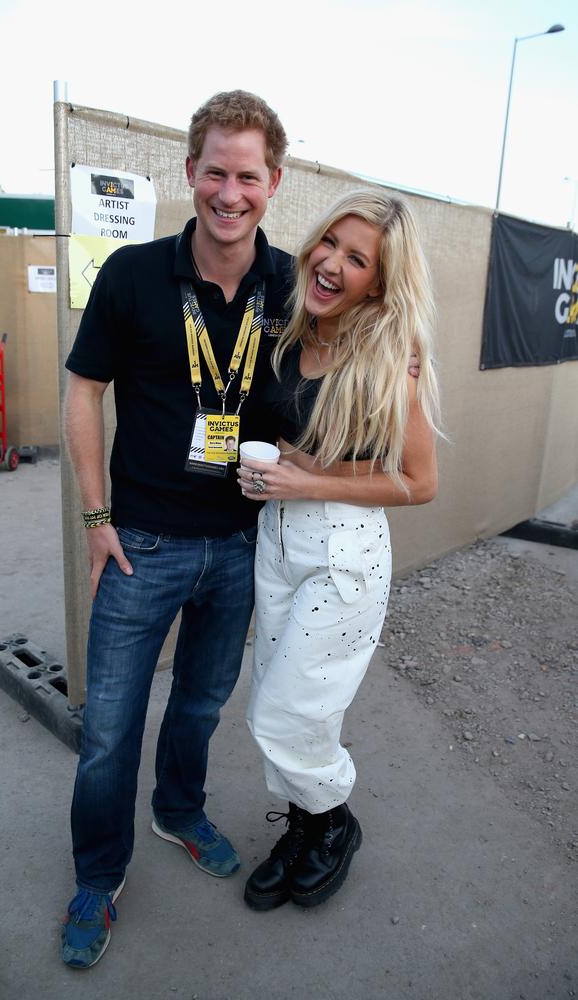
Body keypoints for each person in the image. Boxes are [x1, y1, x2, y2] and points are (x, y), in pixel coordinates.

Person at [60, 90, 293, 969]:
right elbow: (84, 389)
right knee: (111, 727)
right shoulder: (131, 274)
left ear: (273, 181)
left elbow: (346, 365)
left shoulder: (290, 286)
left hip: (240, 545)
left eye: (248, 175)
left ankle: (179, 810)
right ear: (189, 173)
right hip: (142, 543)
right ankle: (97, 874)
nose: (229, 193)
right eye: (215, 173)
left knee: (200, 702)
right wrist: (95, 518)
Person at [237, 188, 440, 912]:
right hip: (277, 537)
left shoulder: (393, 354)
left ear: (380, 283)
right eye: (330, 243)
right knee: (292, 702)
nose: (330, 263)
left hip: (343, 548)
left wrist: (312, 475)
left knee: (280, 714)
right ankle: (302, 825)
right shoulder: (294, 329)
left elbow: (419, 482)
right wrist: (277, 467)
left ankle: (334, 822)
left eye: (357, 259)